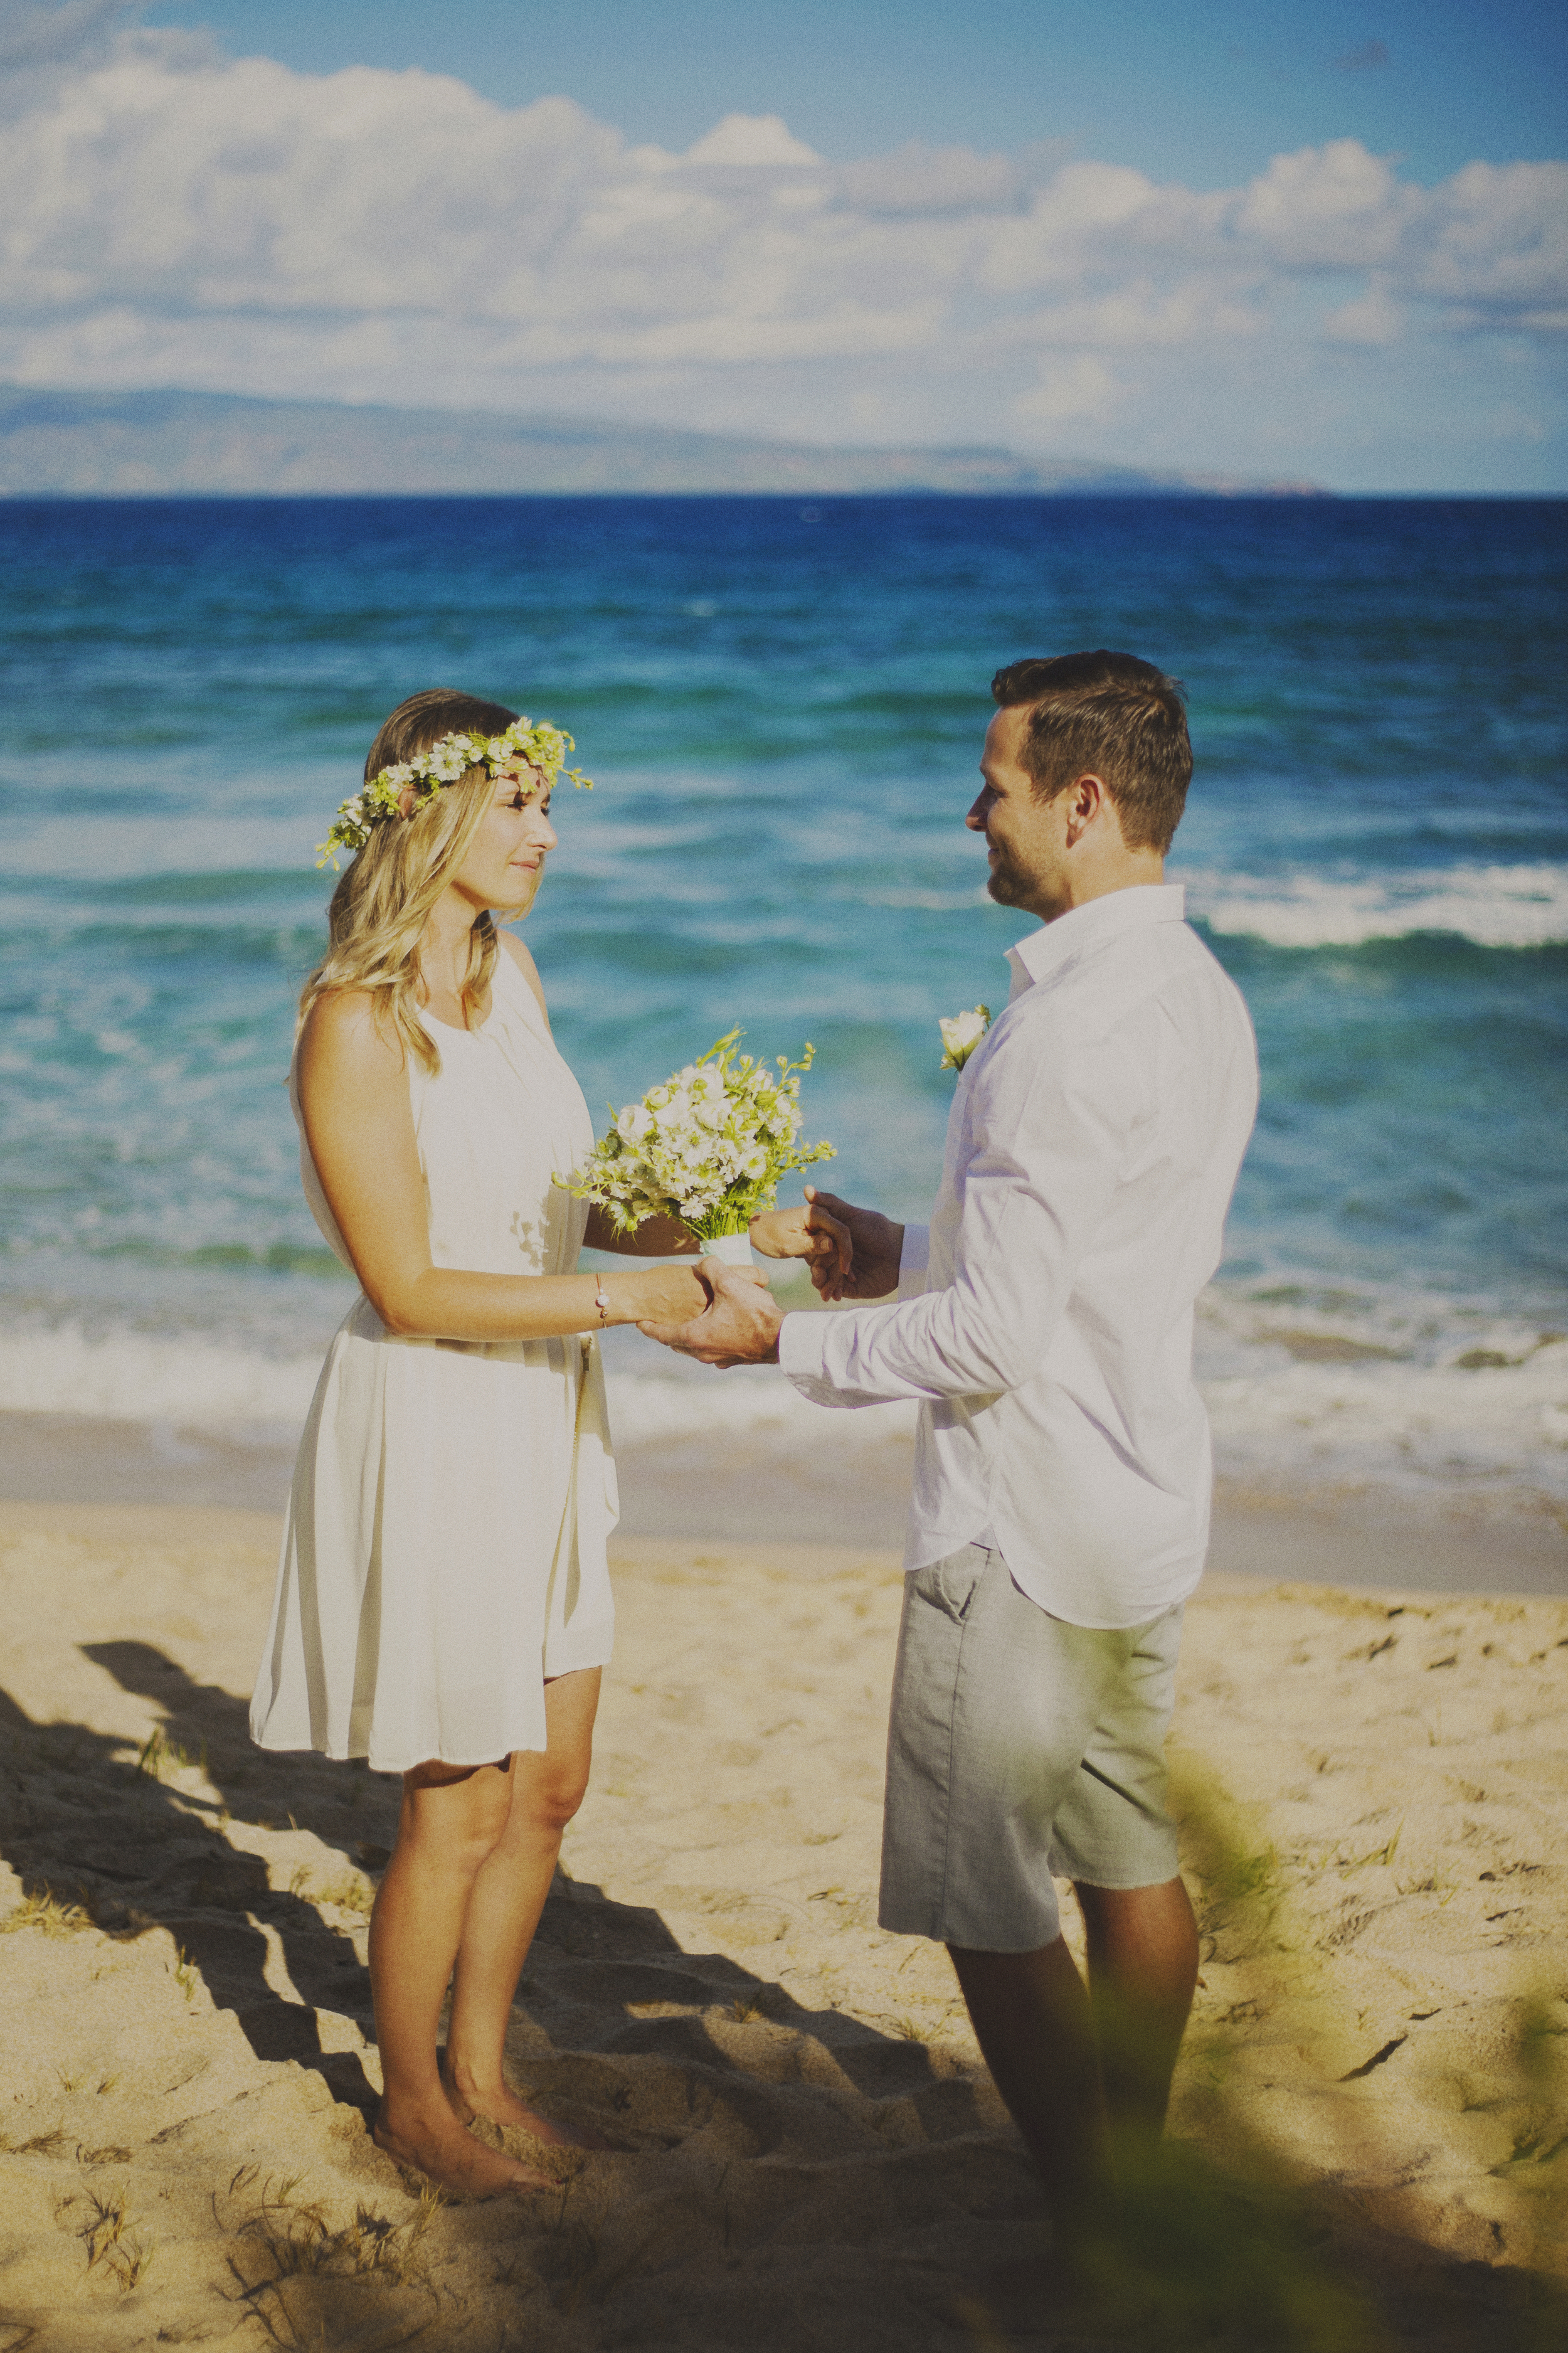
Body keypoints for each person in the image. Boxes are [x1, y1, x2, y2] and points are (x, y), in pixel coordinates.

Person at [642, 651, 1259, 2251]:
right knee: (1125, 1854)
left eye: (989, 786)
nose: (966, 813)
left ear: (1082, 801)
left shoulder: (1061, 1036)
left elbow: (994, 1342)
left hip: (1021, 1523)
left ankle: (1096, 2225)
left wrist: (780, 1336)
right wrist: (898, 1247)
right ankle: (1137, 2163)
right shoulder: (1194, 996)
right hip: (1135, 1496)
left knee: (984, 1909)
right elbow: (1081, 1268)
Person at [249, 688, 832, 2197]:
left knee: (552, 1783)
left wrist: (723, 1227)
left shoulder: (513, 981)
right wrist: (626, 1301)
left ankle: (490, 2072)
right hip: (436, 1412)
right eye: (514, 803)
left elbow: (564, 1215)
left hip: (546, 1403)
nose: (545, 833)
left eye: (544, 803)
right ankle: (415, 2106)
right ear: (428, 811)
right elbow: (408, 1282)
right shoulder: (350, 1021)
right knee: (459, 1791)